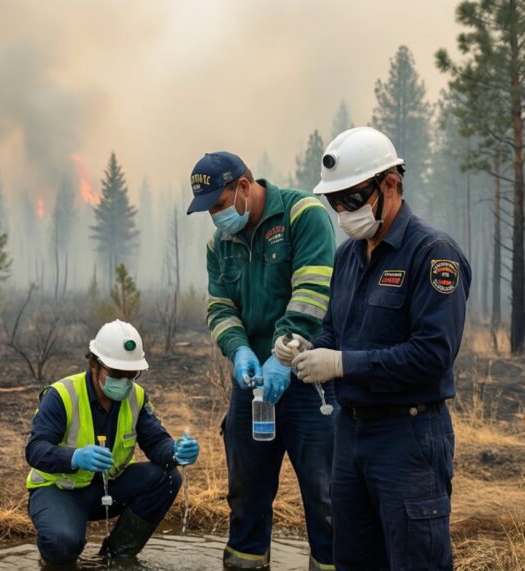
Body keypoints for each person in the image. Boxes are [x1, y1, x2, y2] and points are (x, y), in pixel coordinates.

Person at [282, 126, 470, 570]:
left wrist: (343, 364)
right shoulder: (347, 257)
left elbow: (432, 355)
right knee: (352, 559)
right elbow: (334, 333)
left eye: (352, 198)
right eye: (335, 202)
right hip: (350, 436)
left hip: (408, 437)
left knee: (414, 560)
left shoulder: (432, 253)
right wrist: (307, 351)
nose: (343, 211)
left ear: (390, 184)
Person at [187, 151, 337, 570]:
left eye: (219, 204)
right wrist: (238, 350)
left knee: (326, 494)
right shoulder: (220, 243)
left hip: (311, 381)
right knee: (246, 493)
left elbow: (311, 295)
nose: (216, 216)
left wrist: (282, 357)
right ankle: (245, 563)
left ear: (244, 187)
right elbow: (219, 308)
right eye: (209, 209)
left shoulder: (302, 215)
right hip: (253, 385)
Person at [24, 320, 198, 566]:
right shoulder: (62, 395)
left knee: (168, 477)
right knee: (62, 544)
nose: (125, 382)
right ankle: (53, 552)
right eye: (116, 374)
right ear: (94, 364)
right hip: (59, 490)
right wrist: (74, 457)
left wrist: (176, 451)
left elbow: (156, 442)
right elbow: (35, 450)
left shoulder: (135, 396)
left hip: (106, 489)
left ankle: (117, 555)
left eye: (132, 375)